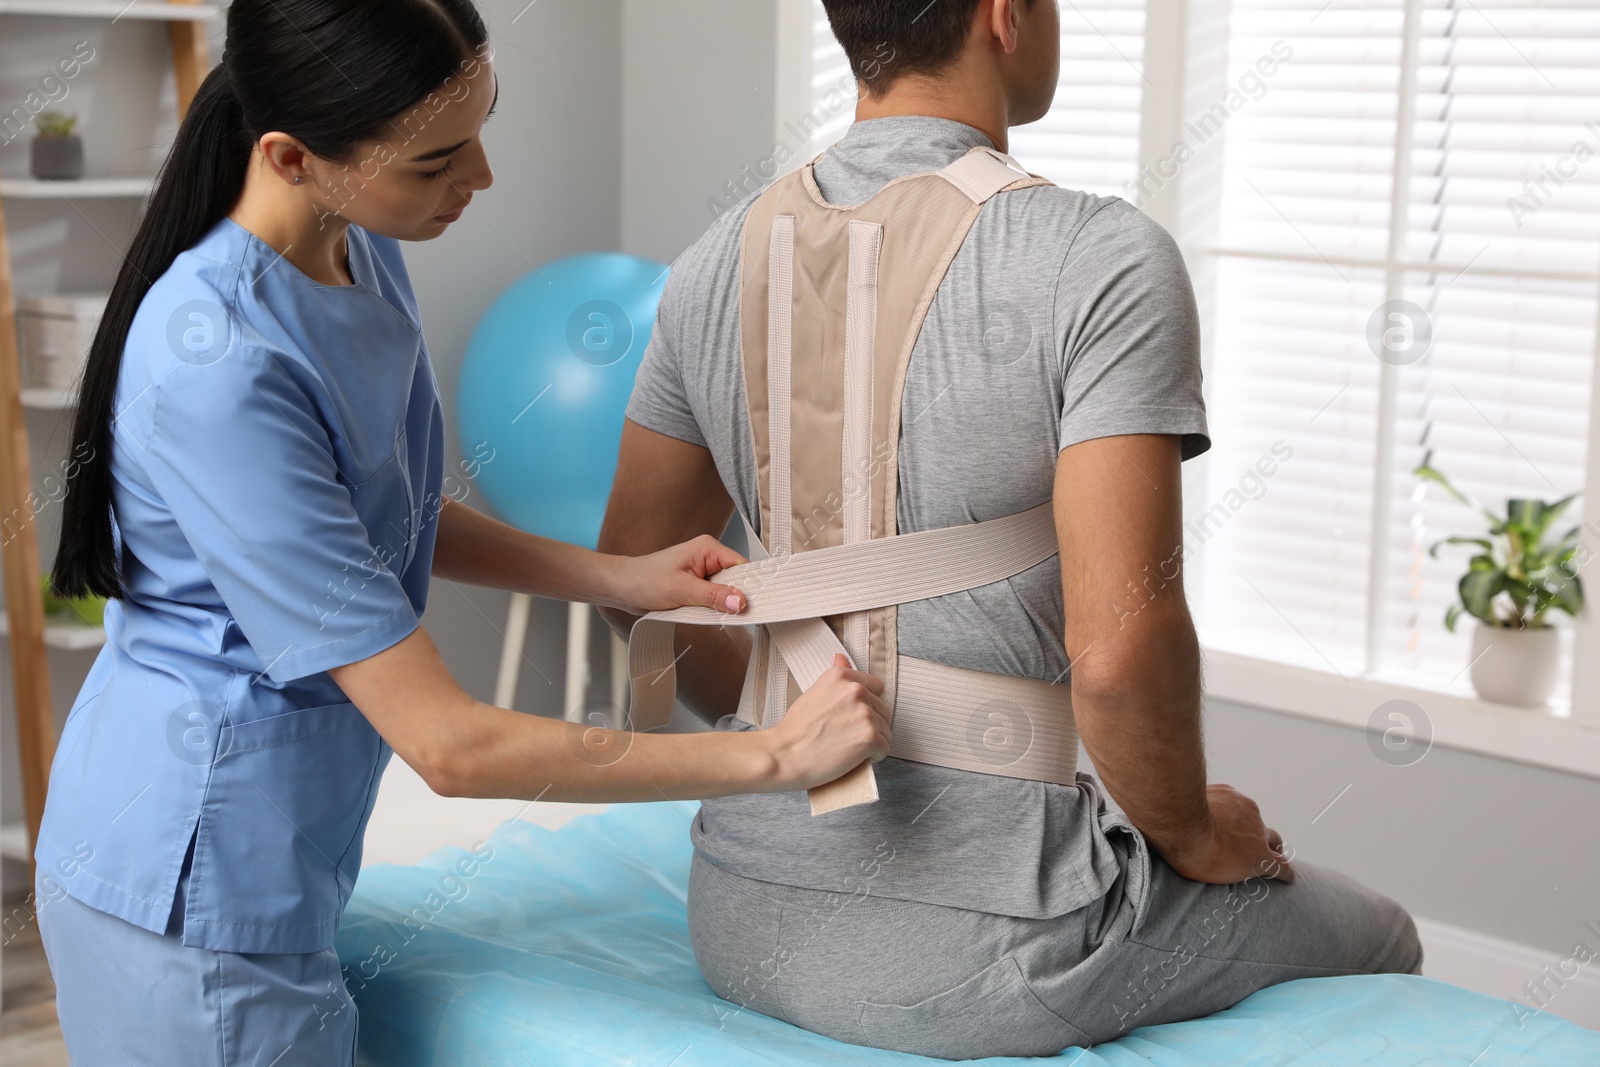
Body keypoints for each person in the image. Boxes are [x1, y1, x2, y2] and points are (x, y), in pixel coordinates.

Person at [33, 2, 890, 1063]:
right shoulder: (221, 365)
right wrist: (767, 754)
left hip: (273, 856)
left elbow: (376, 512)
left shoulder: (355, 244)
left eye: (482, 130)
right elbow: (447, 742)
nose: (478, 179)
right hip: (186, 882)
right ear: (293, 157)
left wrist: (613, 573)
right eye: (438, 160)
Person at [597, 0, 1421, 1057]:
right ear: (1003, 15)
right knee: (1383, 932)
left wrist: (790, 707)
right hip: (993, 947)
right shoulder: (1099, 256)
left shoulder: (711, 261)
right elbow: (1119, 658)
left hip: (739, 907)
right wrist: (1197, 836)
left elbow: (636, 590)